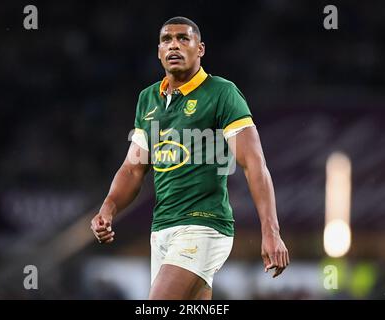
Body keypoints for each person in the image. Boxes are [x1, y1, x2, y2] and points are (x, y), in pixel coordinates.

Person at [90, 16, 289, 300]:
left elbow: (254, 164)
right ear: (159, 52)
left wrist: (271, 231)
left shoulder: (222, 93)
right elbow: (133, 169)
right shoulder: (148, 100)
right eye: (166, 40)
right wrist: (108, 208)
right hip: (161, 230)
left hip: (204, 225)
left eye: (184, 38)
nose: (174, 45)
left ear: (201, 49)